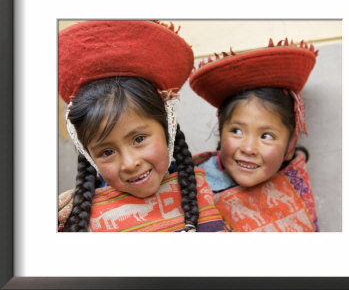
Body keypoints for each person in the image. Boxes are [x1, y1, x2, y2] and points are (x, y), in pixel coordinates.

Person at [58, 20, 226, 232]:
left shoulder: (204, 189)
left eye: (138, 139)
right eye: (107, 151)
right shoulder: (74, 218)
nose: (129, 163)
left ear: (167, 129)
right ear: (89, 154)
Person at [189, 38, 319, 232]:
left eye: (266, 136)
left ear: (290, 146)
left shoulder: (294, 183)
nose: (248, 148)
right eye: (236, 131)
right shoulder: (194, 186)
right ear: (220, 130)